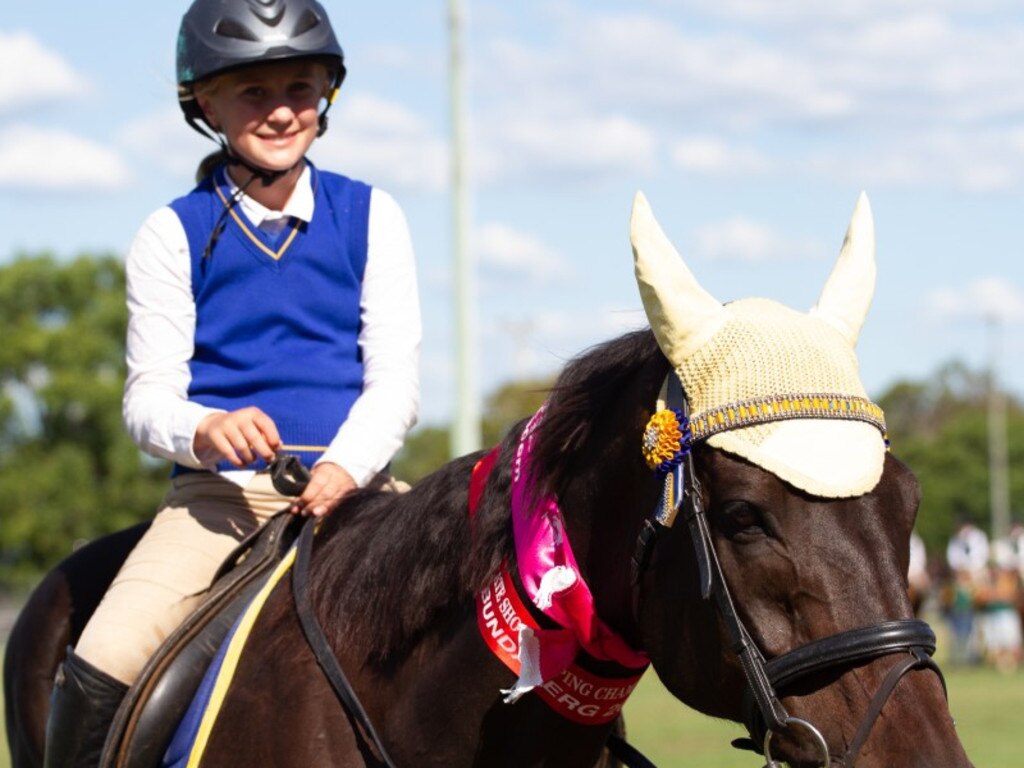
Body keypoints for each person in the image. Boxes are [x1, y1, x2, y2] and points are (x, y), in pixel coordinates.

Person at [43, 1, 421, 765]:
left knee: (506, 621)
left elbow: (395, 381)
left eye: (300, 88)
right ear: (205, 102)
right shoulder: (170, 234)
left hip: (364, 495)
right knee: (104, 660)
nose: (281, 111)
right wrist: (205, 431)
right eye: (253, 92)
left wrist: (347, 466)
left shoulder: (373, 215)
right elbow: (147, 401)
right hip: (219, 502)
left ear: (327, 95)